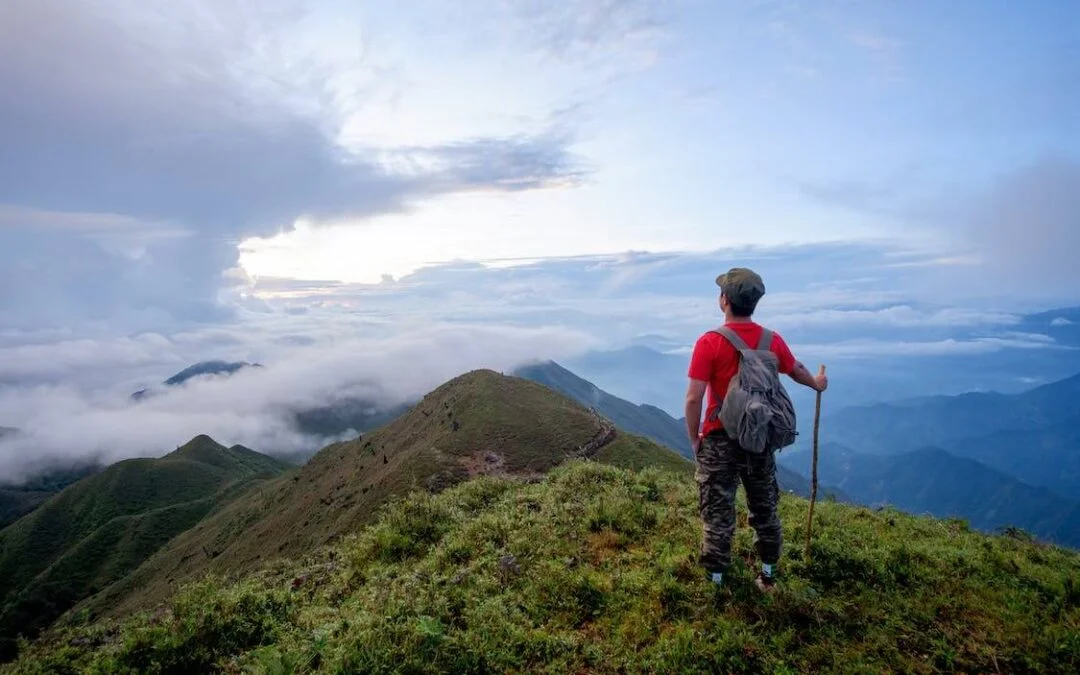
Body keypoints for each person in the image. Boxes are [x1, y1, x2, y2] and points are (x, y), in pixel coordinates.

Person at [684, 267, 827, 592]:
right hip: (759, 438)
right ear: (754, 303)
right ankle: (768, 576)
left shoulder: (710, 343)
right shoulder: (771, 340)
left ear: (724, 301)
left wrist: (695, 438)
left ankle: (717, 583)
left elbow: (693, 399)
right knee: (765, 508)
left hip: (720, 440)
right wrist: (817, 384)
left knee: (718, 514)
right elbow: (796, 369)